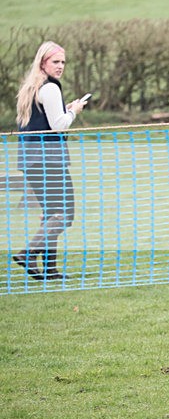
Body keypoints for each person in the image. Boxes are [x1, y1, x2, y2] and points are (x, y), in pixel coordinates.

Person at [13, 41, 86, 280]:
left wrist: (65, 109)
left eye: (63, 62)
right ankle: (27, 253)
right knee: (65, 213)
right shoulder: (50, 88)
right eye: (56, 61)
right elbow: (59, 125)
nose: (61, 66)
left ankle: (50, 270)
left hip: (30, 160)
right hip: (48, 159)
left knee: (52, 212)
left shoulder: (31, 88)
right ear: (43, 62)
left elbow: (42, 121)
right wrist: (74, 111)